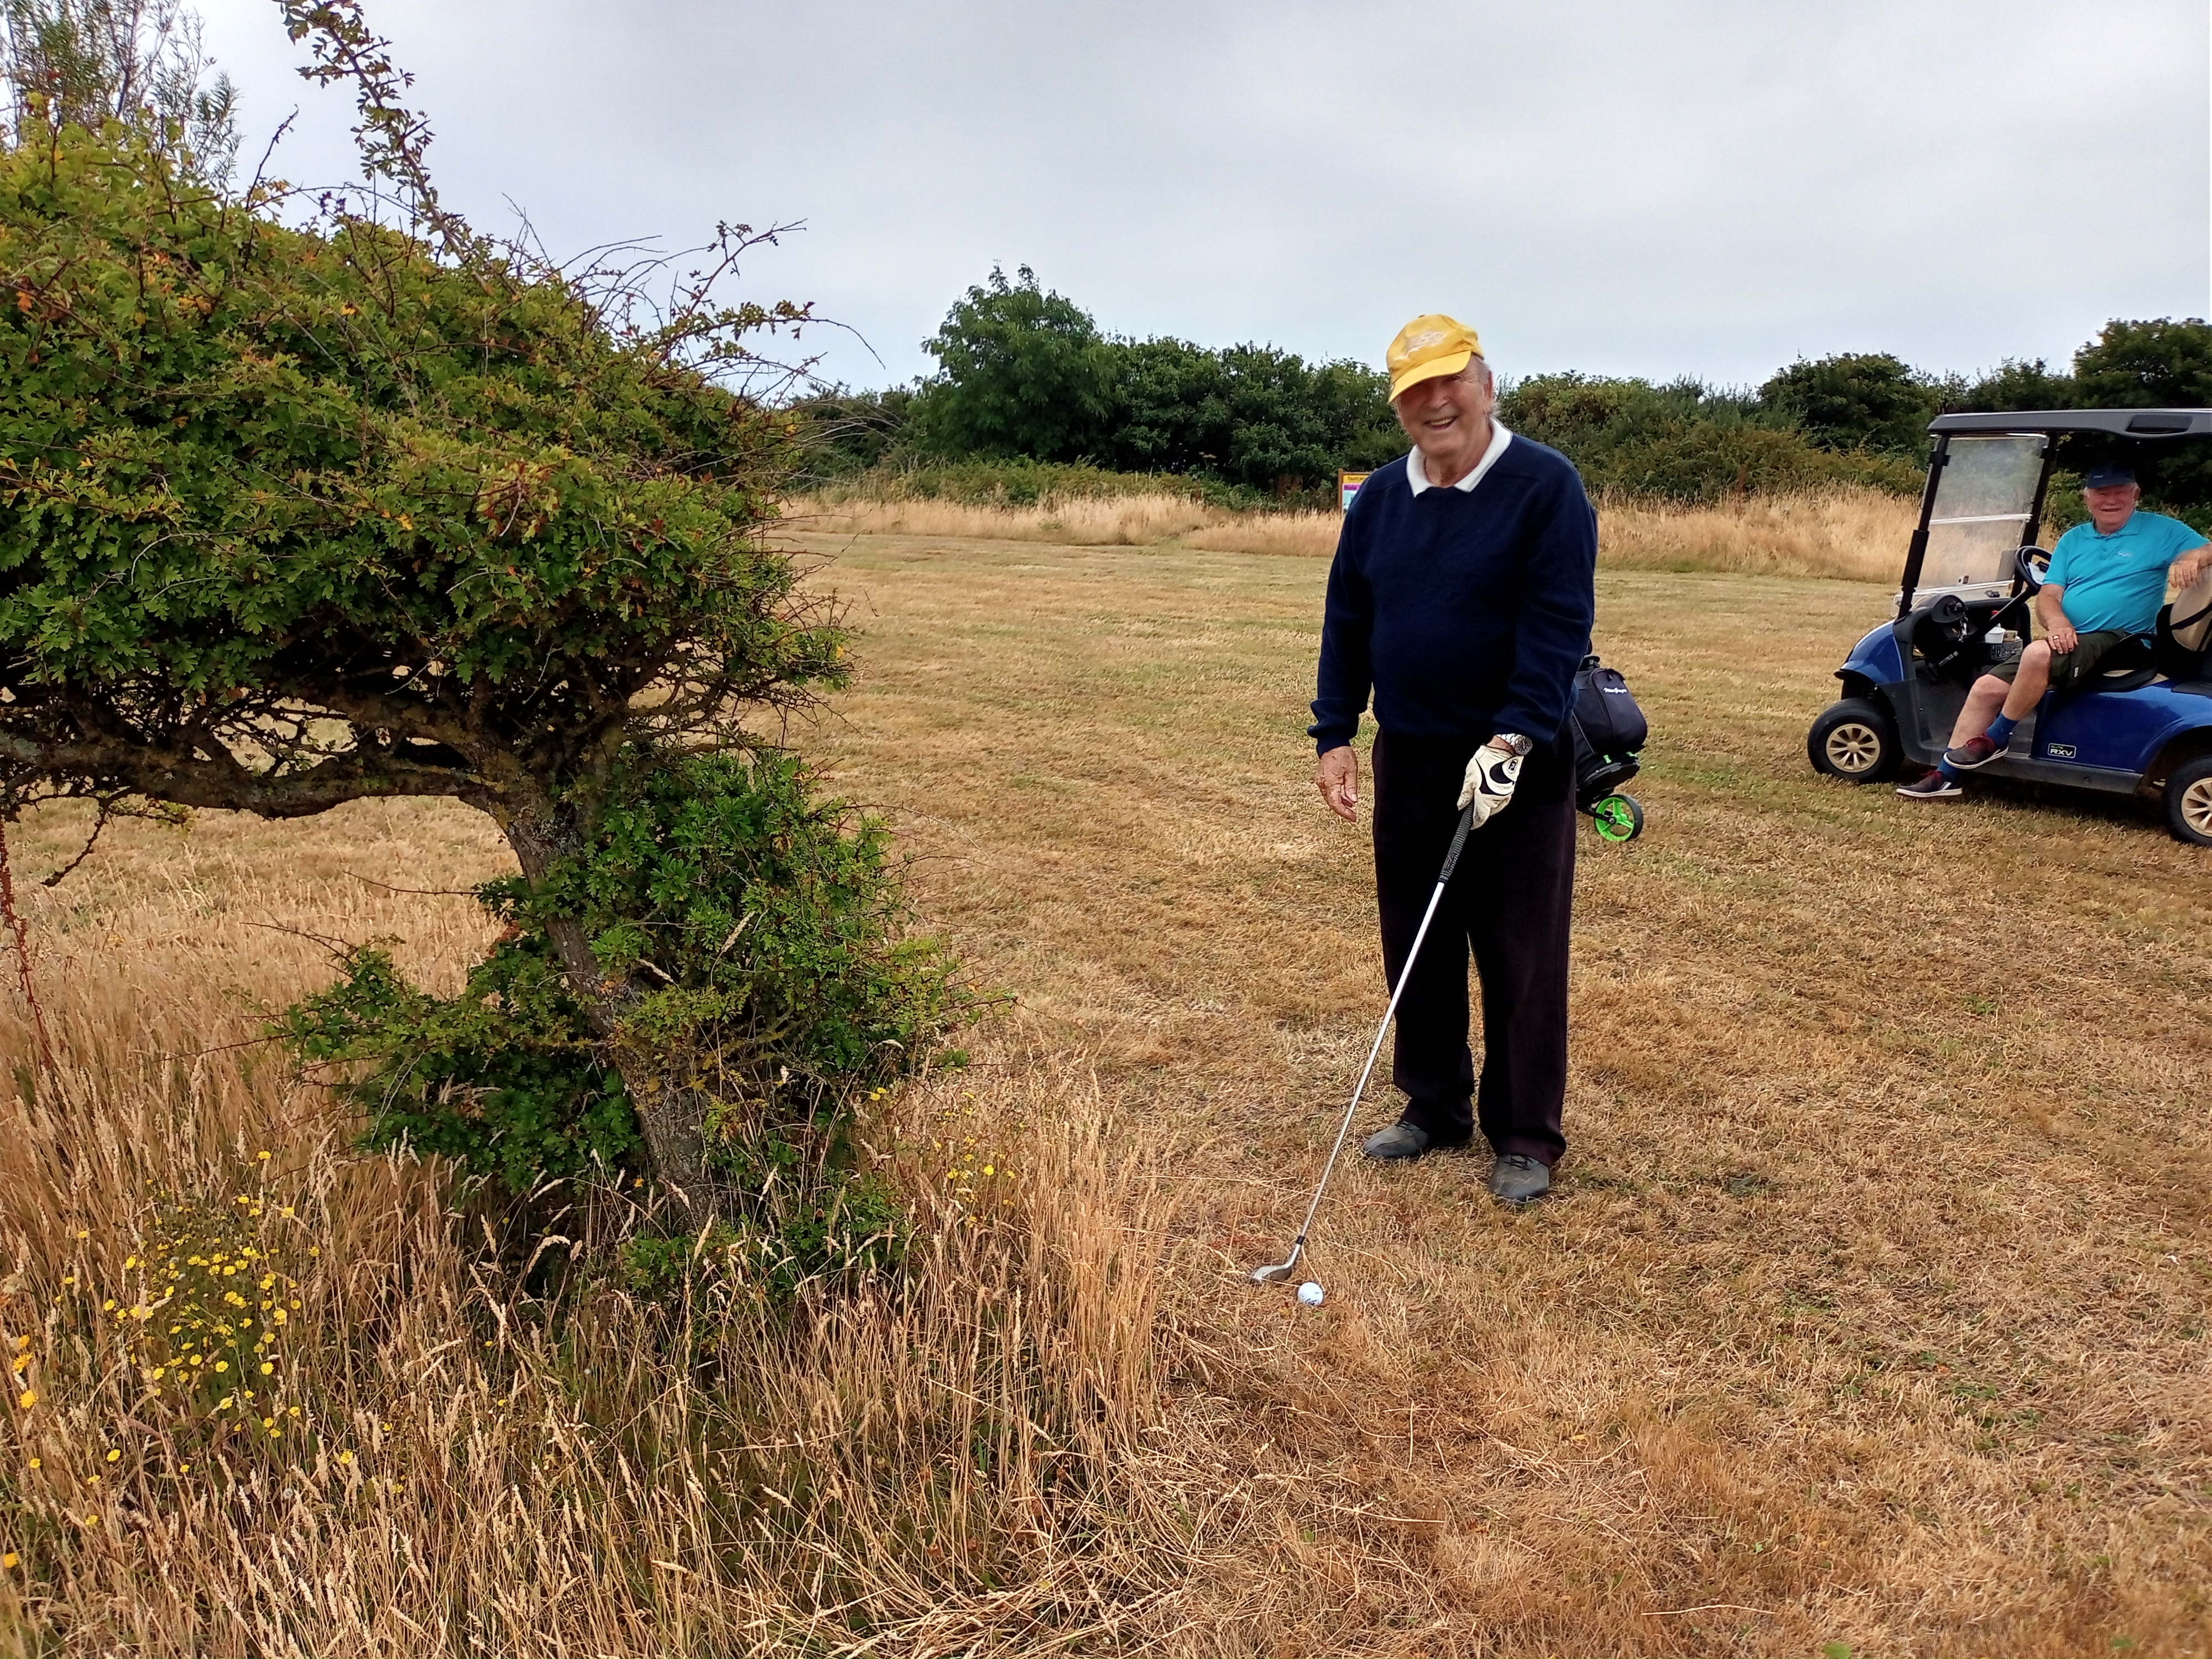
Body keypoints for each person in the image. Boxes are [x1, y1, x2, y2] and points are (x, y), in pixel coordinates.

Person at [1310, 315, 1597, 1204]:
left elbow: (1556, 627)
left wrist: (1513, 738)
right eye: (1414, 390)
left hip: (1515, 758)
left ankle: (1525, 1134)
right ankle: (1434, 1106)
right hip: (1414, 755)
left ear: (1485, 384)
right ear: (1400, 405)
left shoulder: (1545, 485)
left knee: (1520, 948)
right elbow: (1348, 618)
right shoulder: (1383, 501)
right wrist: (1334, 732)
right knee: (1418, 940)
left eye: (1450, 381)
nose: (1435, 402)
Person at [1900, 461, 2211, 800]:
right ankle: (1946, 777)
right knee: (1985, 688)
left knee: (2037, 652)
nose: (2111, 500)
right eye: (2101, 493)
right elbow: (2049, 594)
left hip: (2125, 640)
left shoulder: (2161, 531)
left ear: (2135, 495)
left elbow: (2210, 549)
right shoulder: (2074, 539)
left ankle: (1996, 739)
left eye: (2120, 492)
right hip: (2071, 638)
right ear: (2087, 498)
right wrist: (2059, 622)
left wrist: (2194, 556)